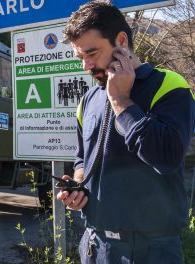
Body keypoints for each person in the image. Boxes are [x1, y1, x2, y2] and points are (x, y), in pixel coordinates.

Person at [56, 1, 195, 263]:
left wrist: (121, 100)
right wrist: (78, 185)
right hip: (96, 244)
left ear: (121, 41)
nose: (86, 65)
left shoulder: (169, 85)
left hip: (153, 247)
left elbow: (167, 157)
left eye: (92, 53)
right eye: (80, 57)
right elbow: (82, 158)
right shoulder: (87, 100)